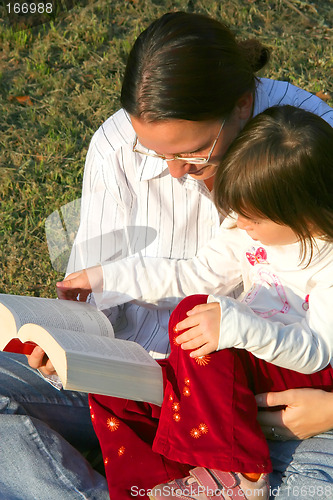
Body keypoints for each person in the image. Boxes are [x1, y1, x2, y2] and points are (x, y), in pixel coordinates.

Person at [1, 11, 332, 499]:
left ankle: (231, 474)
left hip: (289, 399)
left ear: (243, 106)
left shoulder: (311, 143)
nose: (175, 173)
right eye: (157, 156)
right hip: (151, 374)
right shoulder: (116, 148)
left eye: (194, 154)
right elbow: (179, 275)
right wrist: (71, 334)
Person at [89, 105, 333, 500]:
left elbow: (316, 354)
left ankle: (240, 474)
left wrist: (237, 326)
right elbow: (191, 275)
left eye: (253, 217)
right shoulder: (246, 230)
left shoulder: (327, 261)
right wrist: (106, 277)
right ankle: (149, 487)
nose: (240, 222)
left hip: (303, 370)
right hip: (248, 358)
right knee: (115, 390)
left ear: (301, 214)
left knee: (196, 319)